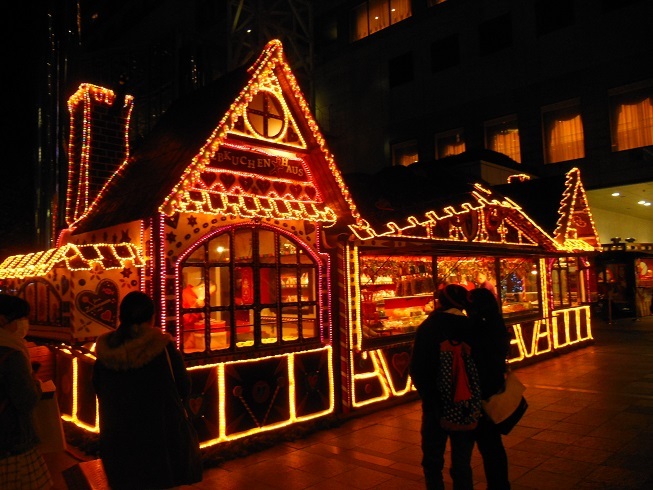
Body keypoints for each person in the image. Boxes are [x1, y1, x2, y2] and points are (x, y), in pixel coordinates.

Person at [92, 291, 203, 489]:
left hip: (118, 443)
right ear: (152, 317)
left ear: (121, 316)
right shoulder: (164, 349)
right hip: (159, 441)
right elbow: (184, 388)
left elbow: (98, 389)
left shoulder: (105, 352)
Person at [410, 284, 475, 490]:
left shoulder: (429, 327)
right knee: (462, 461)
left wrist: (429, 398)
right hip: (466, 403)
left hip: (436, 404)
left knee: (432, 459)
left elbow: (417, 368)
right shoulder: (471, 326)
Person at [0, 294, 53, 490]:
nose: (24, 323)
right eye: (20, 318)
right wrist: (36, 385)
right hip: (12, 441)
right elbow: (26, 400)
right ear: (3, 320)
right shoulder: (12, 354)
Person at [467, 287, 511, 490]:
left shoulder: (477, 329)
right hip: (494, 385)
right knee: (493, 445)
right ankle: (500, 484)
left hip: (479, 392)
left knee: (478, 444)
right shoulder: (497, 324)